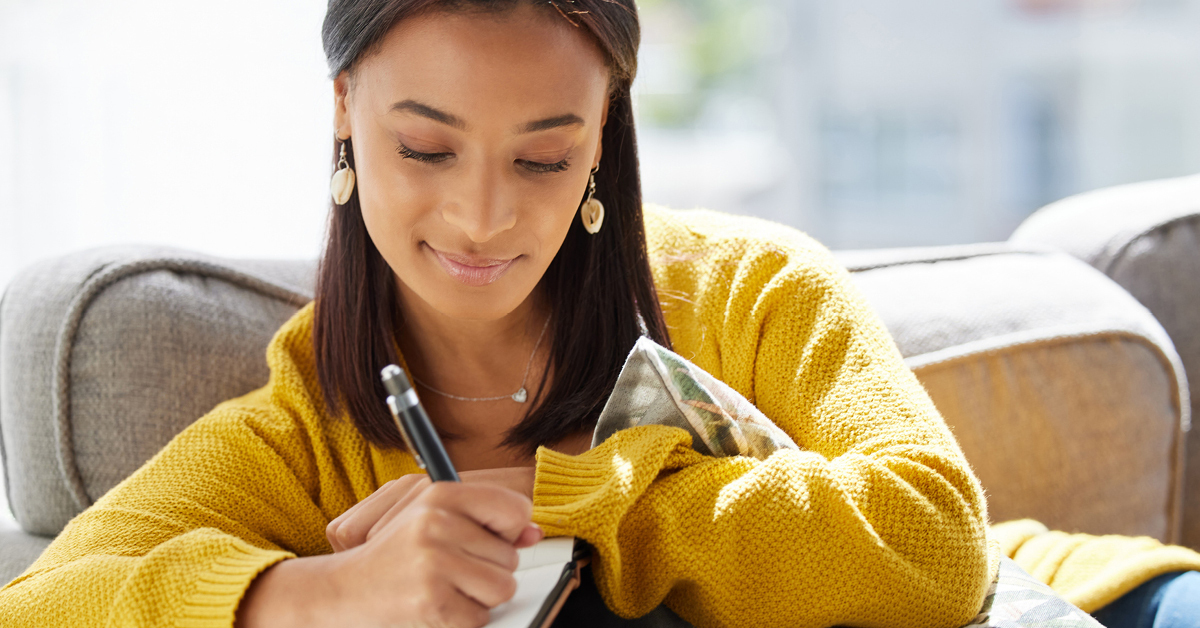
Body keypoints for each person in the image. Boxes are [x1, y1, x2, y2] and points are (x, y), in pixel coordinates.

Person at [0, 1, 1189, 627]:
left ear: (606, 131)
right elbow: (42, 608)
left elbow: (933, 542)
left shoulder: (749, 287)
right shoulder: (302, 432)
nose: (479, 217)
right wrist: (313, 597)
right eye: (427, 146)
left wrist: (562, 503)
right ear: (344, 111)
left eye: (542, 157)